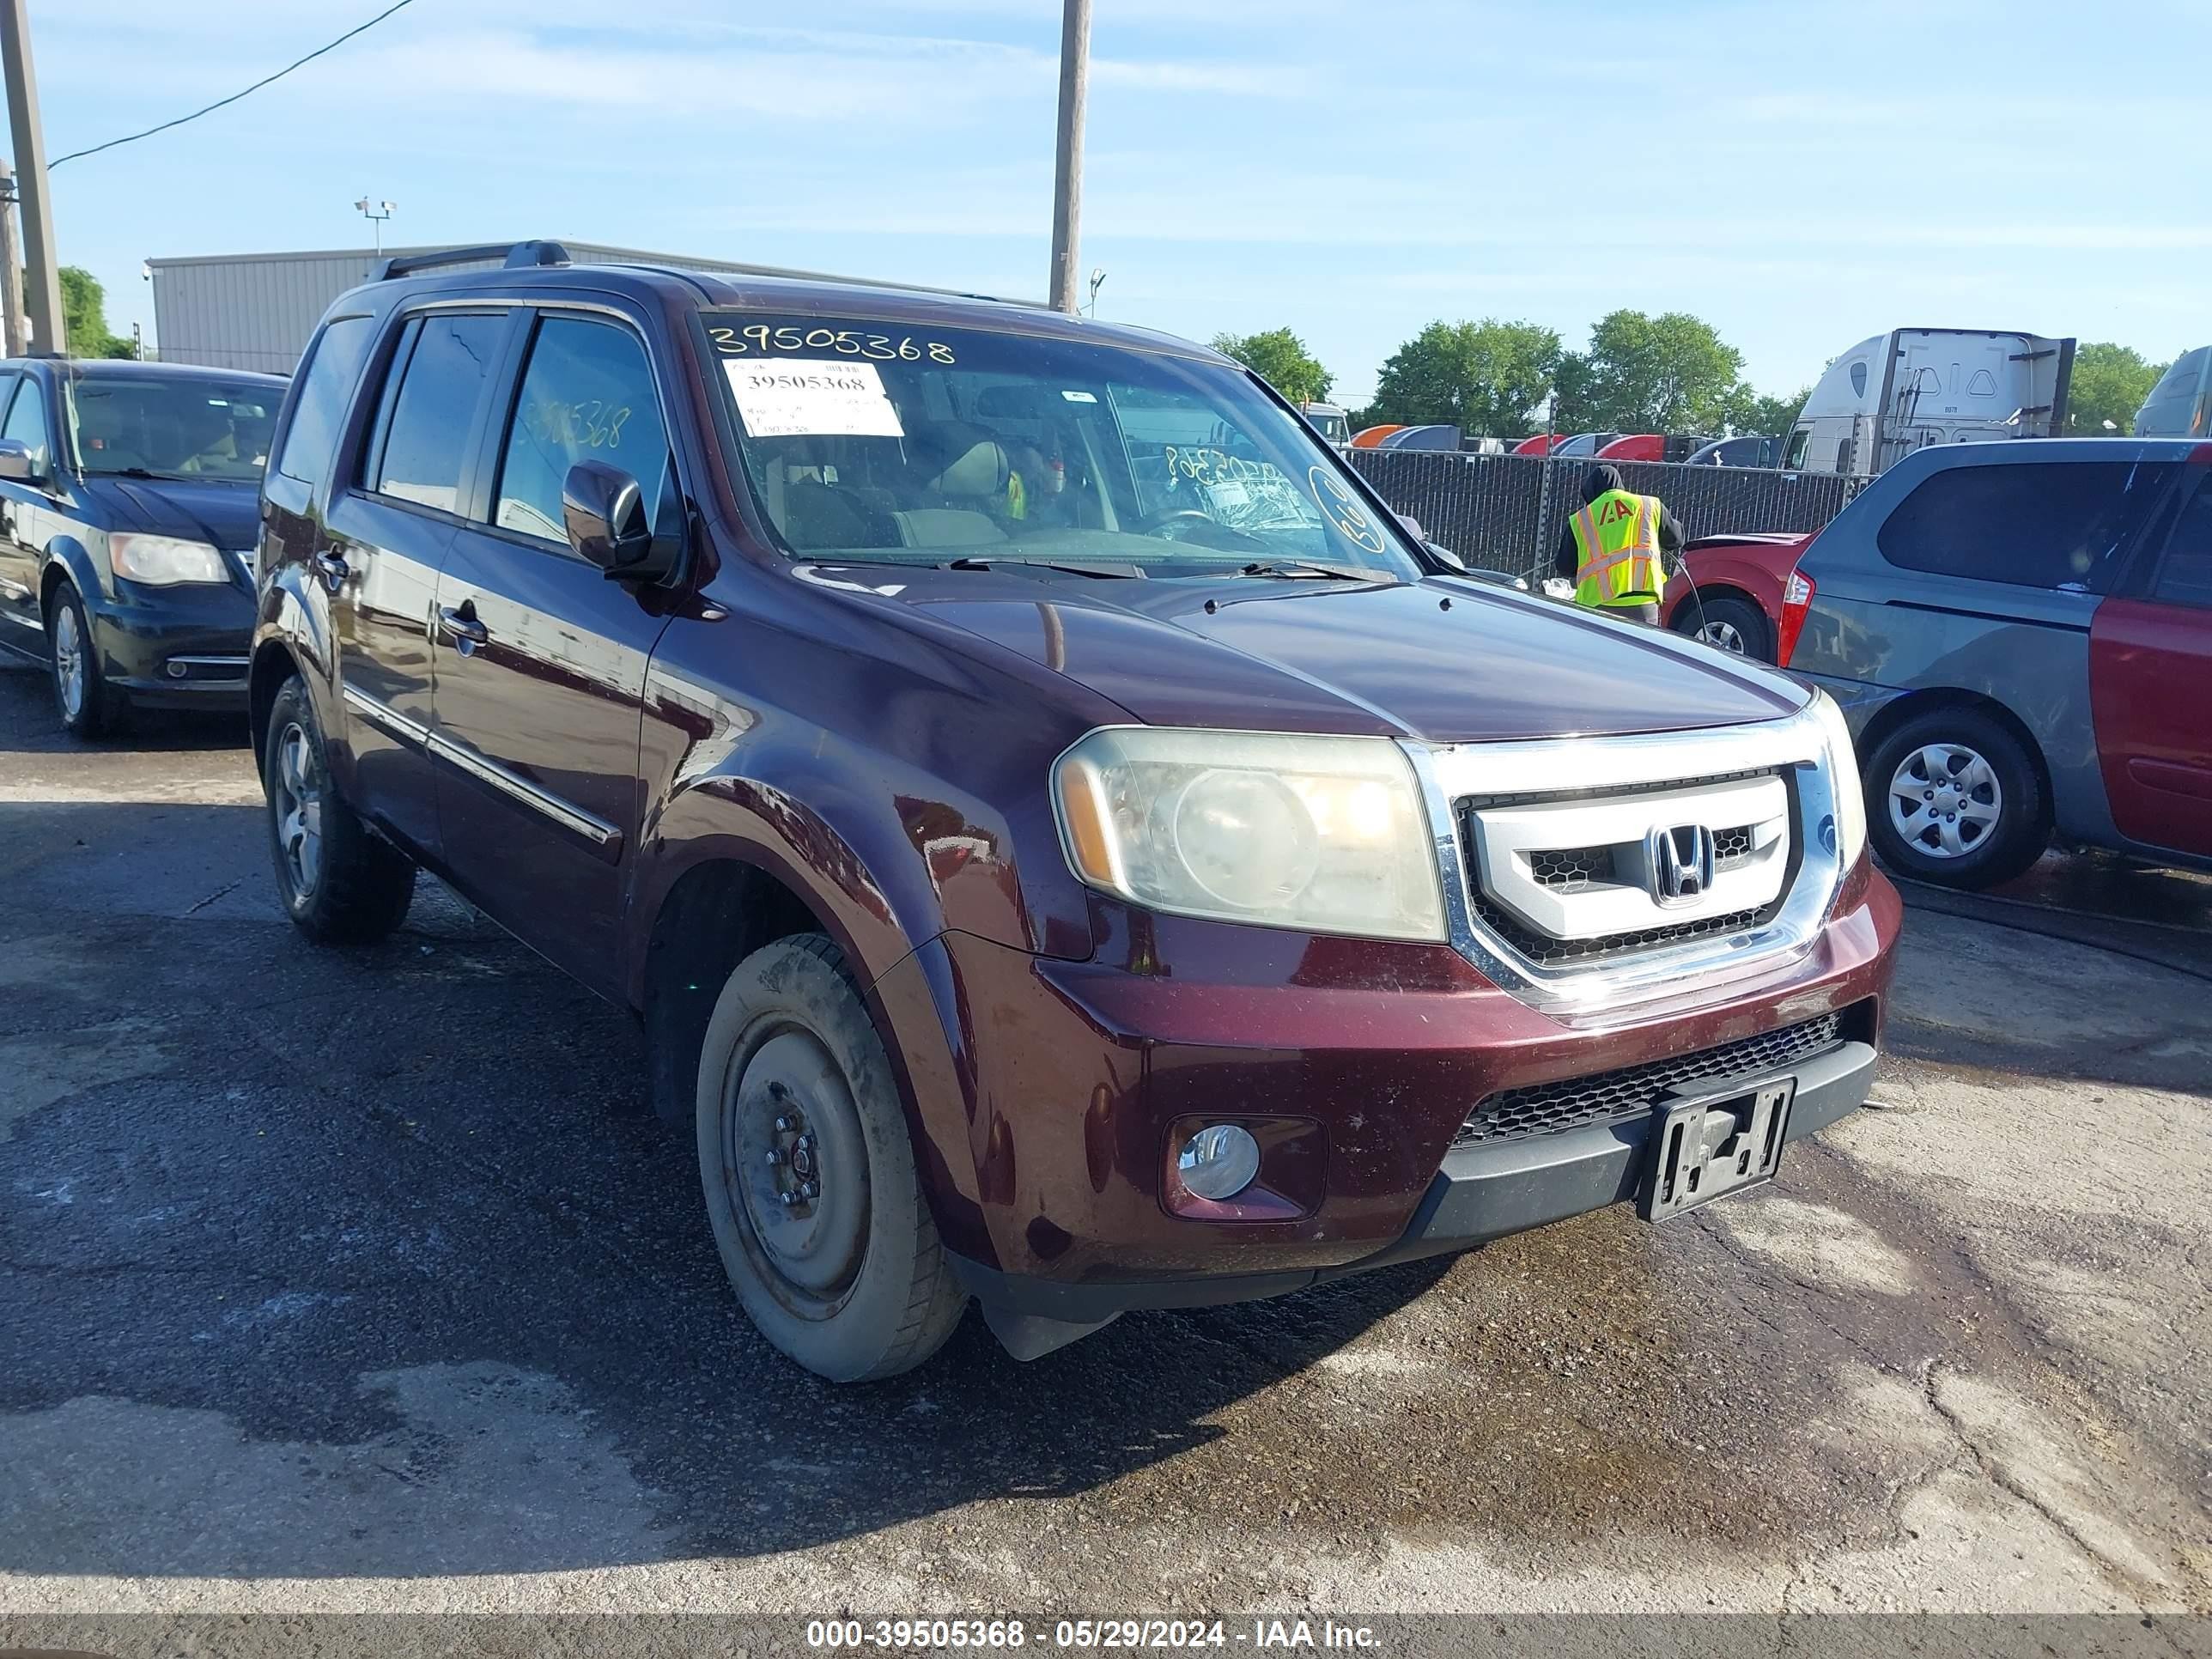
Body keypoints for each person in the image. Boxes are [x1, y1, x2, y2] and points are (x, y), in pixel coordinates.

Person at [1553, 463, 1684, 624]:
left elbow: (1564, 567)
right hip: (1643, 605)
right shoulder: (1648, 505)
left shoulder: (1581, 519)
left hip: (1596, 607)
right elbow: (1676, 539)